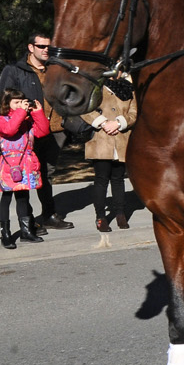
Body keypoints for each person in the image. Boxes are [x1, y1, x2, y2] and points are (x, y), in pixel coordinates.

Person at [0, 33, 74, 229]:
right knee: (24, 175)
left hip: (56, 129)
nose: (45, 49)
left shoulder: (56, 69)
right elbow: (5, 102)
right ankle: (28, 221)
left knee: (46, 173)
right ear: (31, 47)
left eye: (48, 46)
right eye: (41, 46)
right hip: (27, 131)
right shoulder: (15, 70)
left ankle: (49, 215)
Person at [81, 75, 137, 232]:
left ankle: (120, 213)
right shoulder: (94, 86)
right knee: (101, 180)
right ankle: (100, 217)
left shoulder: (128, 88)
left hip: (122, 139)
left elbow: (134, 111)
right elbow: (84, 109)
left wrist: (119, 123)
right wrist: (103, 123)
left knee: (118, 179)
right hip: (101, 139)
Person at [0, 87, 50, 247]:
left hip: (25, 164)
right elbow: (9, 130)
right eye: (16, 102)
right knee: (6, 198)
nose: (21, 105)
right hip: (8, 165)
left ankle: (26, 232)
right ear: (7, 104)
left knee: (23, 198)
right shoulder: (2, 119)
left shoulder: (26, 121)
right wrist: (21, 112)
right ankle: (5, 233)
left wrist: (37, 113)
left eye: (23, 102)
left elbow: (42, 131)